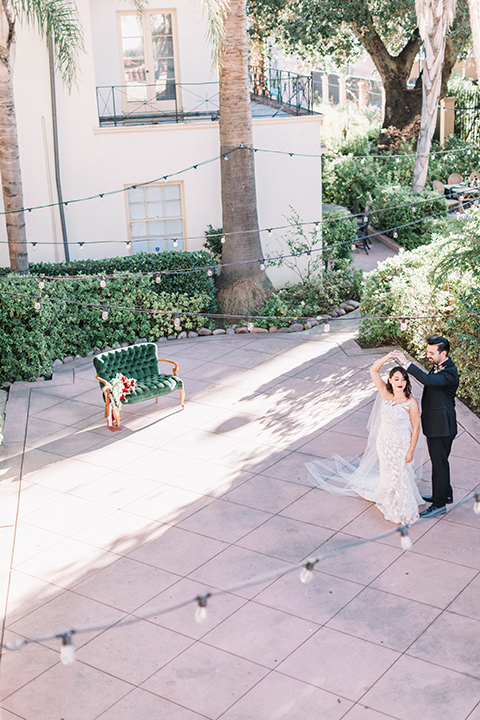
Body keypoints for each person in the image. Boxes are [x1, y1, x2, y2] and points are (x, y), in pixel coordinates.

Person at [306, 353, 424, 525]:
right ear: (390, 380)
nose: (400, 382)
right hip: (384, 442)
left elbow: (416, 428)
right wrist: (389, 356)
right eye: (396, 378)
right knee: (389, 474)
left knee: (401, 475)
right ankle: (392, 500)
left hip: (401, 444)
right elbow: (373, 370)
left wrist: (411, 450)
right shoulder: (385, 393)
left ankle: (403, 507)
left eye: (403, 379)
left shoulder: (410, 402)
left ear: (407, 382)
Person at [393, 336, 459, 517]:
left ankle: (439, 505)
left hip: (442, 427)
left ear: (443, 353)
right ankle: (445, 494)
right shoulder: (440, 366)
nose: (428, 355)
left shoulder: (449, 373)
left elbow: (428, 381)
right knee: (441, 462)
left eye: (431, 352)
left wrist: (406, 364)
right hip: (437, 424)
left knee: (439, 465)